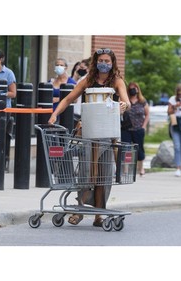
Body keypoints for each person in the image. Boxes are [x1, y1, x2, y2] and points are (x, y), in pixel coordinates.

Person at [48, 48, 131, 227]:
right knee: (86, 173)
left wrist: (124, 105)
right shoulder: (87, 81)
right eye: (101, 60)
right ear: (96, 62)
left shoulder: (117, 81)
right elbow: (68, 99)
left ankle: (98, 215)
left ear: (112, 63)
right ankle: (80, 210)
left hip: (108, 135)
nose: (104, 64)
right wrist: (55, 114)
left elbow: (126, 101)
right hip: (88, 133)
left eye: (107, 61)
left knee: (103, 176)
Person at [120, 82, 149, 176]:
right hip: (126, 129)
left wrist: (144, 126)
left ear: (138, 89)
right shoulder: (126, 100)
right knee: (127, 149)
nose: (133, 90)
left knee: (139, 149)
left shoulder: (142, 101)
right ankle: (126, 169)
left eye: (134, 88)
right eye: (131, 88)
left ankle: (141, 168)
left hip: (138, 129)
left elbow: (147, 114)